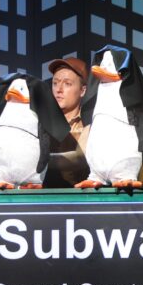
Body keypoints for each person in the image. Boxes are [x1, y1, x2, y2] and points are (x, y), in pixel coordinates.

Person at [44, 57, 90, 187]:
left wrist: (36, 159)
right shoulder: (39, 123)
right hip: (42, 196)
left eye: (67, 84)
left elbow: (79, 159)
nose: (59, 89)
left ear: (82, 90)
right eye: (55, 83)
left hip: (80, 196)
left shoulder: (91, 125)